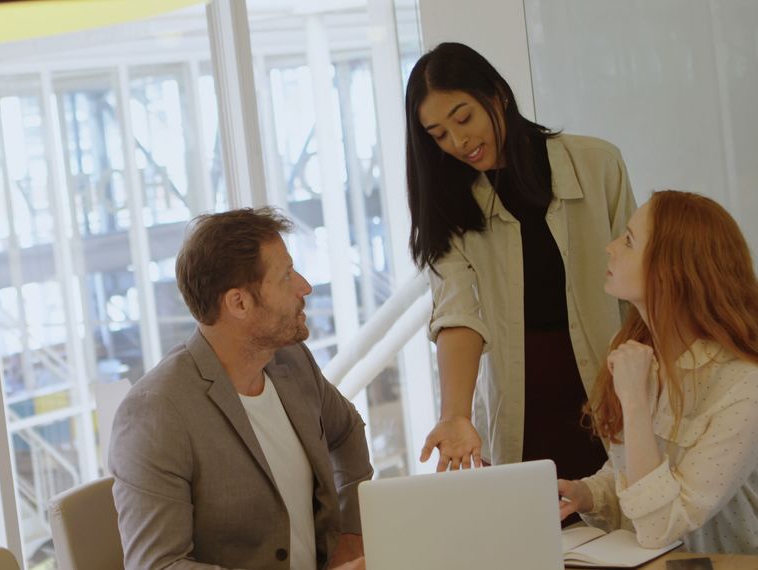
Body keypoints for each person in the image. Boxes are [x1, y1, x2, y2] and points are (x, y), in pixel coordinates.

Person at [406, 42, 637, 481]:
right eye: (438, 135)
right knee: (535, 516)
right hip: (523, 403)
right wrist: (455, 415)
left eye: (464, 118)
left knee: (627, 507)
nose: (458, 142)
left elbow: (642, 287)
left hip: (612, 387)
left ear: (498, 95)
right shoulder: (448, 204)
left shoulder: (597, 164)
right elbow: (457, 313)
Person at [108, 207, 372, 570]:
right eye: (286, 276)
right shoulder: (155, 412)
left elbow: (346, 431)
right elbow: (159, 565)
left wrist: (351, 536)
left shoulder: (291, 360)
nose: (304, 287)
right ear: (239, 303)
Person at [558, 190, 758, 553]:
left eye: (629, 241)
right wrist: (588, 494)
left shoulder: (744, 385)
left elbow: (658, 527)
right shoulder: (633, 348)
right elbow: (631, 469)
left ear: (671, 271)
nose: (610, 248)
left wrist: (635, 401)